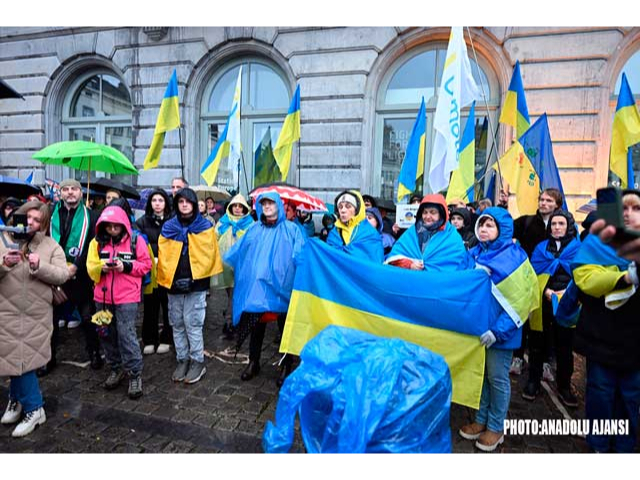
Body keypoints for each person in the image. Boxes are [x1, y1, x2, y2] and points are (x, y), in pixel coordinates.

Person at [459, 207, 539, 452]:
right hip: (477, 330)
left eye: (490, 225)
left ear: (502, 229)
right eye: (481, 224)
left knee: (497, 378)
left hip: (501, 333)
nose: (483, 229)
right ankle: (481, 420)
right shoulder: (471, 254)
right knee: (482, 377)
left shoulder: (515, 256)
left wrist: (498, 330)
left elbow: (522, 299)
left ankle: (496, 426)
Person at [572, 190, 640, 452]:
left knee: (630, 399)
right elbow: (585, 279)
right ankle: (598, 447)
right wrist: (624, 278)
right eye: (623, 208)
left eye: (635, 209)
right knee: (601, 395)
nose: (628, 213)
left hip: (635, 344)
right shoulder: (597, 243)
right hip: (601, 338)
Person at [1, 201, 69, 437]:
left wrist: (41, 267)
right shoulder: (2, 239)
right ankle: (16, 399)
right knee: (11, 358)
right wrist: (3, 265)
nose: (30, 223)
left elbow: (62, 275)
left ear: (43, 223)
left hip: (35, 315)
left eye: (36, 219)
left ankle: (34, 407)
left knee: (25, 361)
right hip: (6, 312)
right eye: (26, 217)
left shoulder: (50, 246)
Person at [224, 192, 306, 385]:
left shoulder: (292, 230)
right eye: (264, 203)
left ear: (278, 204)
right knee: (256, 324)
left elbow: (300, 255)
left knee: (285, 327)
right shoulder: (254, 229)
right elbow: (241, 251)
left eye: (270, 203)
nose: (267, 206)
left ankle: (286, 366)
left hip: (283, 288)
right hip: (258, 288)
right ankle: (254, 362)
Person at [158, 187, 222, 385]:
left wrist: (196, 280)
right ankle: (182, 359)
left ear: (194, 204)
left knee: (193, 324)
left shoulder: (204, 226)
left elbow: (209, 256)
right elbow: (164, 256)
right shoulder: (169, 227)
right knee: (176, 323)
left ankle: (197, 361)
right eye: (180, 201)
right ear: (176, 204)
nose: (184, 205)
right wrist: (172, 279)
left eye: (188, 201)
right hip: (174, 285)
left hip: (196, 285)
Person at [86, 205, 152, 399]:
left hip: (127, 298)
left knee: (126, 335)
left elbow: (146, 265)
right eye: (109, 226)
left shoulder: (135, 241)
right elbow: (91, 267)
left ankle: (134, 373)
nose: (113, 230)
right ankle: (115, 367)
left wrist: (126, 266)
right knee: (105, 333)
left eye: (116, 226)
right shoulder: (96, 244)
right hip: (102, 297)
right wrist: (101, 268)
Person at [46, 179, 102, 375]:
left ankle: (94, 352)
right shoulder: (50, 214)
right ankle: (49, 358)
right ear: (60, 193)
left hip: (81, 275)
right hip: (55, 273)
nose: (70, 193)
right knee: (50, 319)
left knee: (88, 317)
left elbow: (93, 244)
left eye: (74, 189)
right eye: (66, 189)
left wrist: (76, 266)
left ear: (80, 192)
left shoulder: (92, 217)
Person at [525, 210, 581, 406]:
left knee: (564, 348)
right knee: (537, 344)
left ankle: (564, 386)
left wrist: (565, 294)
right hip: (543, 303)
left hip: (567, 305)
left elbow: (582, 275)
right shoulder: (541, 249)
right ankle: (533, 380)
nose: (557, 227)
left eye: (561, 224)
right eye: (554, 224)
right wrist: (546, 290)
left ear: (569, 227)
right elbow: (532, 273)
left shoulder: (578, 249)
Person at [510, 187, 565, 376]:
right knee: (523, 319)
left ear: (557, 205)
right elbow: (504, 228)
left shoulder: (562, 224)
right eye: (541, 199)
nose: (544, 203)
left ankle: (545, 362)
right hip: (526, 279)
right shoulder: (527, 222)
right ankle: (517, 357)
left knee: (547, 323)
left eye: (549, 201)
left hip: (552, 283)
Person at [210, 194, 254, 338]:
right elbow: (214, 240)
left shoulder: (250, 224)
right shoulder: (223, 223)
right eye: (234, 206)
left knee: (237, 294)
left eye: (240, 206)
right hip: (226, 267)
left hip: (243, 267)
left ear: (244, 209)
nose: (237, 208)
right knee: (232, 294)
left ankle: (231, 322)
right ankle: (233, 321)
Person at [135, 188, 173, 355]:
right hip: (150, 270)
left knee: (168, 306)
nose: (157, 204)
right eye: (154, 200)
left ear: (166, 203)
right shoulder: (142, 221)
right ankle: (149, 339)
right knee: (150, 306)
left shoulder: (172, 221)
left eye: (161, 200)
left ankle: (166, 338)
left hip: (168, 270)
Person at [385, 194, 466, 272]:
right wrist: (409, 265)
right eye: (425, 212)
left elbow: (461, 265)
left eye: (433, 212)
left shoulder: (452, 236)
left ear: (441, 214)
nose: (427, 216)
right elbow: (394, 258)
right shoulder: (412, 232)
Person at [327, 190, 383, 263]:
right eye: (340, 207)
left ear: (357, 210)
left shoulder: (370, 233)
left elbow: (375, 263)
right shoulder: (334, 232)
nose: (343, 210)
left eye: (348, 206)